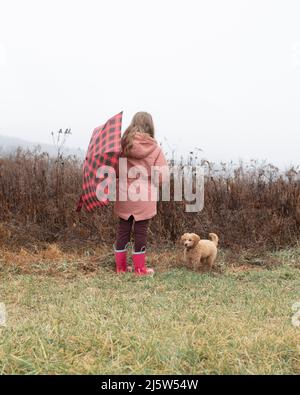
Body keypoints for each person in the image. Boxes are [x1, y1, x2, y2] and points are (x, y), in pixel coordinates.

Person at [114, 112, 168, 276]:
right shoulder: (155, 149)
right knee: (141, 231)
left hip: (124, 194)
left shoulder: (123, 146)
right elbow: (161, 177)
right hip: (144, 197)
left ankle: (121, 268)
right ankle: (139, 269)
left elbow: (115, 170)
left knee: (123, 229)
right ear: (150, 126)